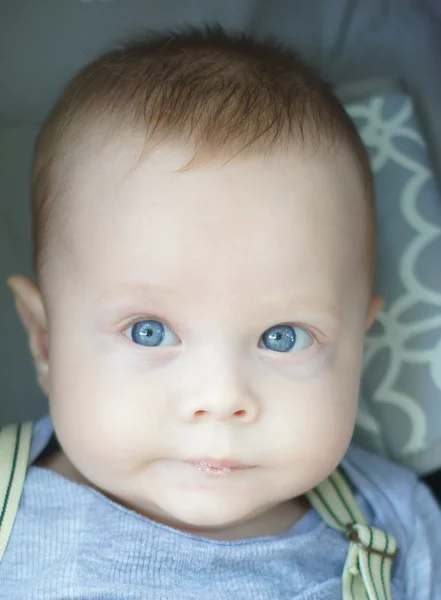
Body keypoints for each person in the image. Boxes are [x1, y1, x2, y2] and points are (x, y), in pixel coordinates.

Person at [0, 25, 440, 599]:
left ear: (359, 343)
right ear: (44, 341)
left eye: (282, 337)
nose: (222, 398)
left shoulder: (395, 520)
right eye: (148, 331)